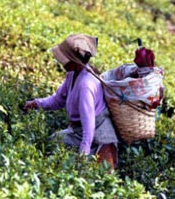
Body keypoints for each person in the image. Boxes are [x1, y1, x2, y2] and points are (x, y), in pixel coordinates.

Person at [24, 34, 118, 171]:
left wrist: (82, 157)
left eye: (65, 59)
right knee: (53, 141)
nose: (62, 63)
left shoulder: (86, 86)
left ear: (75, 61)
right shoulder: (73, 74)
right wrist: (36, 103)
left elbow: (89, 128)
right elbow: (58, 100)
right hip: (78, 130)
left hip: (97, 138)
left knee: (57, 148)